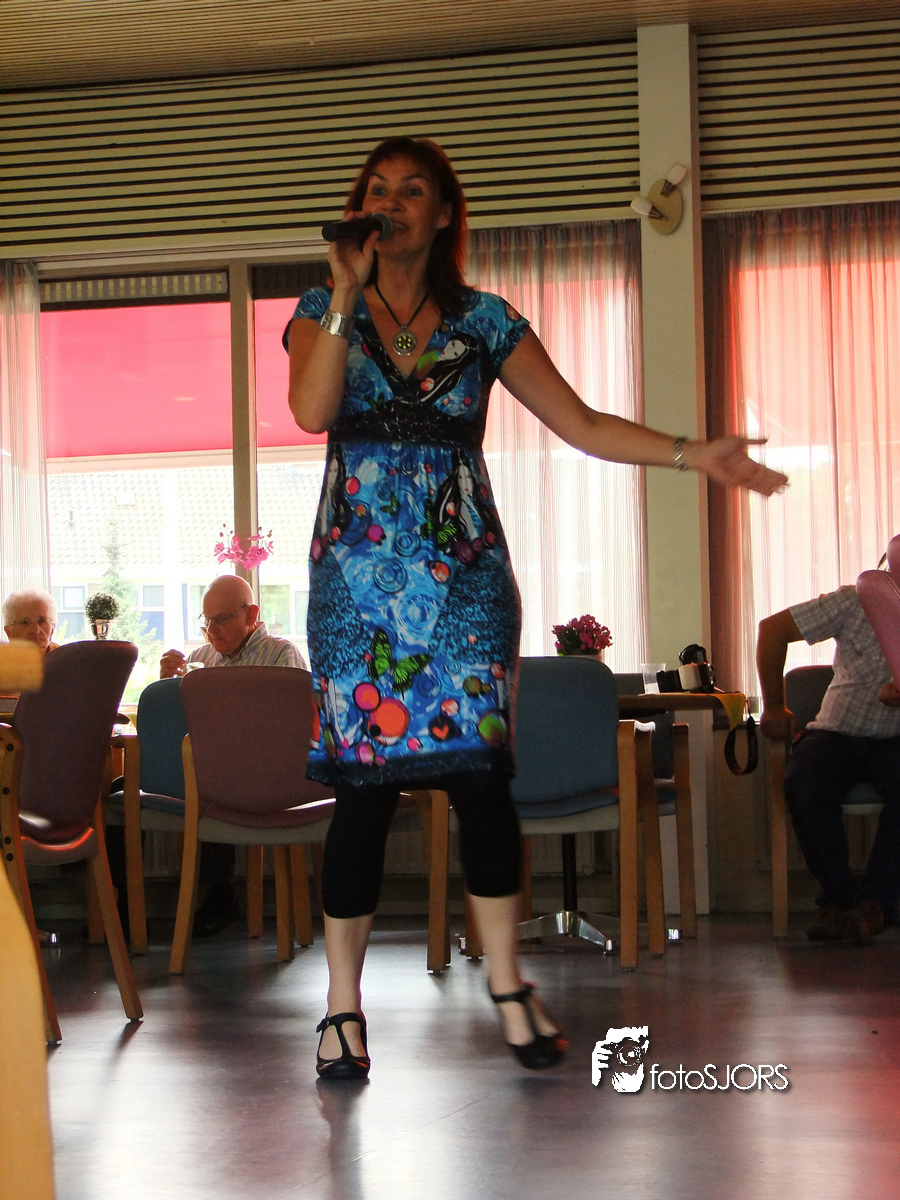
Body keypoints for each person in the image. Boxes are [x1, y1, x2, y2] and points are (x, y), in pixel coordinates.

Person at [285, 136, 787, 1081]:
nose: (391, 203)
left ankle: (510, 985)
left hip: (466, 582)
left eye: (412, 191)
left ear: (444, 214)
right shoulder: (322, 311)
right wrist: (345, 289)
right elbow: (312, 412)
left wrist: (694, 454)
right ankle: (342, 1008)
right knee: (363, 790)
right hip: (352, 585)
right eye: (377, 190)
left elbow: (583, 423)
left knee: (481, 779)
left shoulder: (486, 320)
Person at [757, 560, 900, 944]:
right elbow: (772, 630)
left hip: (896, 741)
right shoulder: (853, 602)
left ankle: (876, 907)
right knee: (805, 784)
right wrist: (773, 706)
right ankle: (839, 901)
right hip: (836, 733)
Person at [158, 574, 307, 935]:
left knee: (212, 780)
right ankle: (121, 906)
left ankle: (221, 896)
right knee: (125, 787)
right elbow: (176, 725)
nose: (211, 630)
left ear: (251, 615)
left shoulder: (280, 654)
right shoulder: (200, 660)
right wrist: (166, 683)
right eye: (207, 620)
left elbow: (292, 727)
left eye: (222, 619)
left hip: (267, 772)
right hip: (212, 770)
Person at [1, 590, 60, 707]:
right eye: (24, 622)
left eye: (42, 621)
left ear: (52, 628)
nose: (35, 630)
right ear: (9, 632)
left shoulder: (65, 663)